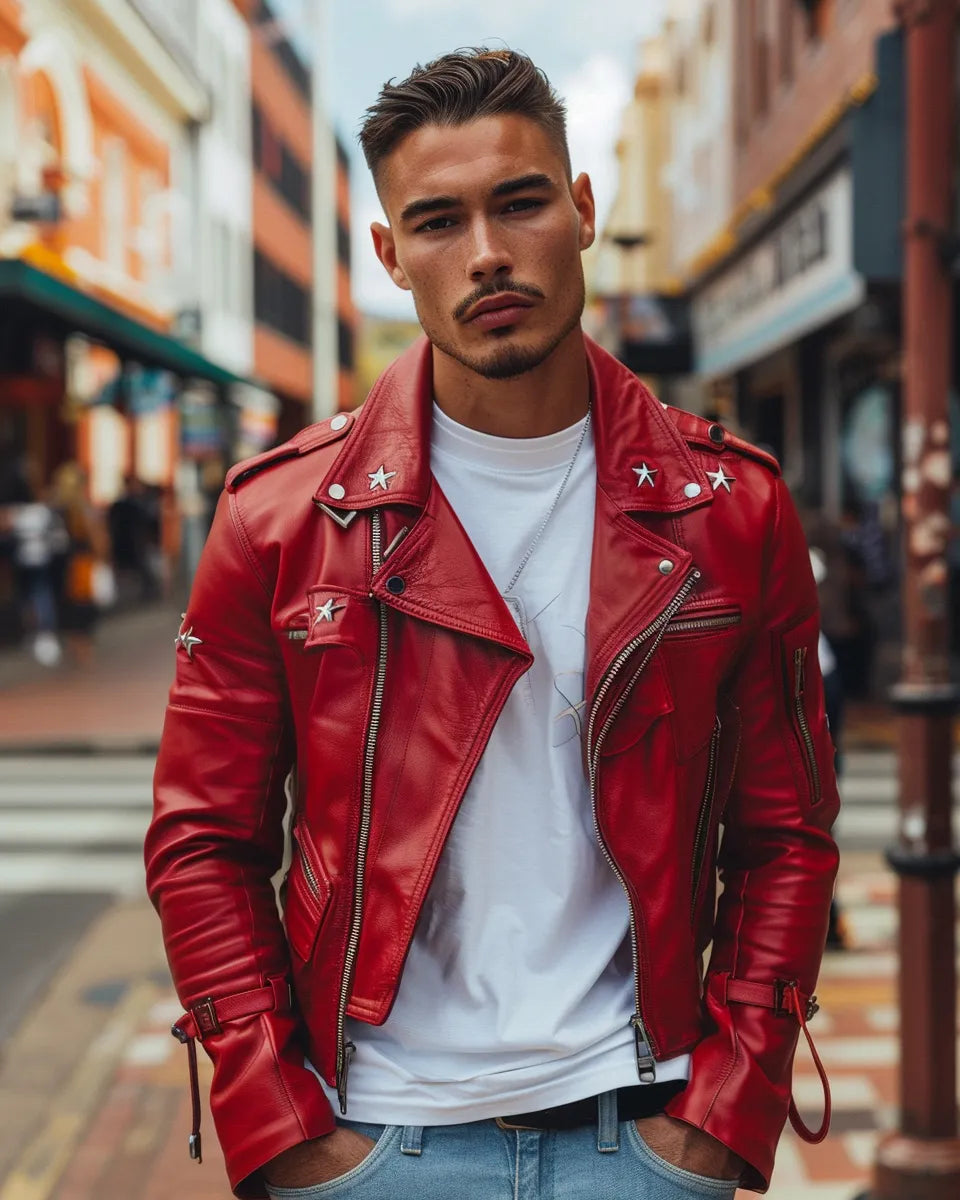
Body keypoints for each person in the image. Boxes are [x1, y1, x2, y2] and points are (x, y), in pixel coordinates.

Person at [146, 48, 839, 1200]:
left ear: (580, 210)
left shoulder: (733, 510)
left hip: (647, 1127)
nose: (485, 254)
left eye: (518, 203)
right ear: (388, 256)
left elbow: (786, 837)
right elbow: (202, 842)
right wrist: (280, 1123)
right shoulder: (281, 521)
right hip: (373, 1139)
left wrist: (727, 1108)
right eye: (436, 221)